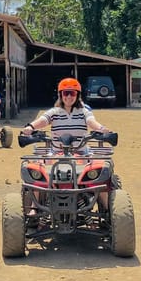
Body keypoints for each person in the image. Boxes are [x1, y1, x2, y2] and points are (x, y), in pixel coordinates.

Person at [21, 77, 112, 210]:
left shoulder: (83, 112)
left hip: (81, 153)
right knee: (38, 177)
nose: (69, 96)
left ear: (77, 95)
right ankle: (35, 208)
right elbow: (43, 120)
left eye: (72, 93)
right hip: (55, 154)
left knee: (101, 178)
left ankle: (107, 211)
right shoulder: (54, 112)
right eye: (65, 93)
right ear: (60, 95)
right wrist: (30, 127)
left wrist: (101, 129)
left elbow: (91, 122)